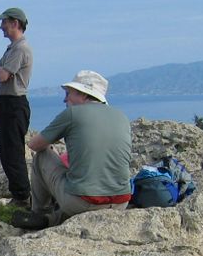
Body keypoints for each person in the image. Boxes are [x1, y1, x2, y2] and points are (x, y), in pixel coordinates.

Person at [11, 70, 131, 229]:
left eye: (69, 93)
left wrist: (54, 145)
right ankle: (51, 219)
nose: (65, 99)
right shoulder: (121, 116)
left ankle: (39, 214)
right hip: (121, 201)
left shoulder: (72, 114)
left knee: (42, 155)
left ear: (83, 95)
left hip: (83, 202)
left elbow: (35, 145)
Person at [0, 7, 34, 206]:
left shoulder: (20, 49)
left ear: (15, 23)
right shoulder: (12, 48)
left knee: (13, 152)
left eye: (4, 22)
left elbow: (2, 75)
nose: (1, 27)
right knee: (8, 152)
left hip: (14, 104)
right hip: (7, 103)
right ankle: (20, 195)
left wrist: (0, 71)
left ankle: (23, 197)